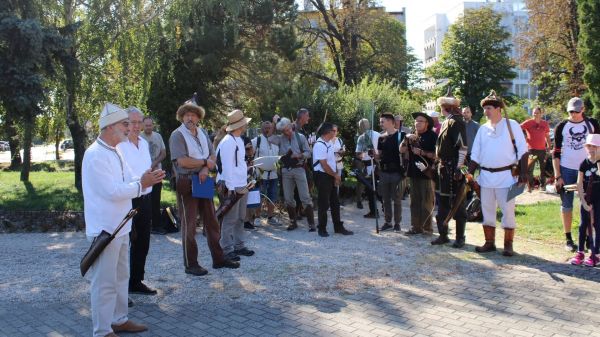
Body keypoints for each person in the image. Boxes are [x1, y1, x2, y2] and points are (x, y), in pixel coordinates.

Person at [83, 102, 164, 337]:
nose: (128, 129)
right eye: (124, 124)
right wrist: (142, 184)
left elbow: (128, 180)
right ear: (109, 127)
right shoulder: (96, 154)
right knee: (104, 282)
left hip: (120, 226)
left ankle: (119, 320)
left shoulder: (114, 150)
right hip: (105, 228)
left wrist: (145, 178)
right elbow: (112, 191)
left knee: (120, 278)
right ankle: (102, 330)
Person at [169, 102, 240, 276]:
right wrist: (203, 163)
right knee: (190, 225)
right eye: (186, 115)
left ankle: (219, 259)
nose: (190, 118)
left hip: (203, 180)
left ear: (198, 118)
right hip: (186, 181)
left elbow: (212, 155)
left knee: (211, 222)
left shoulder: (201, 132)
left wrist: (205, 168)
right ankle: (191, 264)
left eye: (193, 115)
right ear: (181, 117)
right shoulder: (177, 135)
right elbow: (182, 161)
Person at [468, 91, 529, 256]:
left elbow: (523, 150)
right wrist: (469, 173)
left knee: (508, 210)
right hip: (486, 177)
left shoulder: (512, 125)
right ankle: (489, 242)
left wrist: (524, 172)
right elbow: (475, 154)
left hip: (507, 177)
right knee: (487, 209)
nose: (485, 112)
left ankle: (508, 245)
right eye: (484, 109)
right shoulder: (482, 129)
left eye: (489, 108)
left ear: (498, 109)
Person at [116, 107, 156, 295]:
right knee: (125, 242)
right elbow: (122, 175)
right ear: (125, 123)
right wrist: (139, 181)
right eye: (133, 122)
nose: (137, 126)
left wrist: (152, 177)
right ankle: (121, 287)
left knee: (143, 241)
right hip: (129, 198)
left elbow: (145, 168)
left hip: (146, 196)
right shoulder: (120, 145)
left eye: (139, 122)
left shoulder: (144, 143)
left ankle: (136, 281)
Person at [553, 97, 600, 251]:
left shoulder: (592, 124)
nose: (573, 114)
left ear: (583, 110)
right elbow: (556, 152)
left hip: (588, 169)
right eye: (571, 111)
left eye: (576, 111)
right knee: (566, 204)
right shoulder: (562, 126)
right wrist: (557, 176)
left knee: (588, 204)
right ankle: (568, 239)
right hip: (567, 169)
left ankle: (588, 237)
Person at [216, 109, 256, 261]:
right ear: (240, 125)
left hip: (240, 183)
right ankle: (226, 248)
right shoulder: (227, 142)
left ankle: (239, 245)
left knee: (240, 217)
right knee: (230, 217)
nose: (245, 125)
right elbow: (226, 168)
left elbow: (237, 164)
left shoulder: (238, 140)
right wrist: (231, 190)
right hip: (229, 184)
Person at [431, 90, 468, 248]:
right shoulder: (447, 121)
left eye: (441, 106)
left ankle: (460, 237)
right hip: (444, 168)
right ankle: (443, 235)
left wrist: (459, 168)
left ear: (445, 106)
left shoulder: (456, 122)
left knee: (457, 203)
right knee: (443, 202)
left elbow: (462, 147)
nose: (440, 108)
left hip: (453, 168)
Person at [269, 117, 315, 231]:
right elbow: (269, 138)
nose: (287, 132)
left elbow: (309, 152)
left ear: (291, 126)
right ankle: (292, 222)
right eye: (284, 130)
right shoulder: (280, 139)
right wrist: (275, 124)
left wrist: (299, 155)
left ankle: (311, 224)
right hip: (286, 171)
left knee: (305, 197)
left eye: (288, 129)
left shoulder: (301, 137)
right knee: (288, 198)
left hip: (299, 169)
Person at [313, 122, 354, 237]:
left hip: (330, 174)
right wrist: (335, 175)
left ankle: (338, 227)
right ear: (328, 132)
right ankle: (322, 228)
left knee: (335, 203)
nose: (335, 132)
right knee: (323, 203)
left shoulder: (329, 143)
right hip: (322, 176)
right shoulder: (320, 145)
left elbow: (332, 161)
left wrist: (336, 175)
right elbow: (324, 165)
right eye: (333, 131)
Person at [401, 112, 437, 235]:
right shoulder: (411, 136)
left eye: (420, 121)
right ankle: (415, 227)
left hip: (427, 174)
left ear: (427, 124)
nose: (417, 123)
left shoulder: (432, 136)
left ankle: (427, 229)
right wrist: (406, 139)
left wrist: (422, 153)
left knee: (426, 201)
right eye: (416, 121)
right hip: (413, 172)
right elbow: (401, 150)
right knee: (414, 202)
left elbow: (437, 156)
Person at [570, 134, 600, 266]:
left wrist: (597, 160)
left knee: (597, 225)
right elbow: (579, 183)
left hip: (599, 199)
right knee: (583, 225)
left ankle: (596, 254)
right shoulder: (584, 163)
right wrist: (583, 201)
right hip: (586, 198)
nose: (592, 149)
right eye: (589, 146)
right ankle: (580, 252)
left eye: (595, 146)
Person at [376, 113, 405, 232]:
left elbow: (405, 152)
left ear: (389, 121)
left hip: (397, 172)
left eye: (382, 122)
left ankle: (397, 223)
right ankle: (388, 222)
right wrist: (374, 154)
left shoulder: (401, 135)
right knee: (385, 199)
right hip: (384, 172)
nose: (381, 124)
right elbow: (379, 156)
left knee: (396, 199)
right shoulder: (381, 137)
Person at [140, 116, 169, 234]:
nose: (148, 127)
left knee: (156, 200)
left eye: (150, 125)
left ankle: (156, 226)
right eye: (146, 125)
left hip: (157, 173)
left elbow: (163, 153)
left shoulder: (158, 136)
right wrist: (148, 166)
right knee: (144, 201)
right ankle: (145, 226)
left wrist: (154, 163)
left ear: (153, 125)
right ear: (143, 125)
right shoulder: (139, 137)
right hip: (144, 174)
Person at [251, 121, 280, 225]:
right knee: (259, 196)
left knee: (272, 196)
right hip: (260, 174)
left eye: (269, 127)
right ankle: (257, 217)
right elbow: (249, 155)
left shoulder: (276, 141)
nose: (267, 129)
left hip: (273, 174)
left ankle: (270, 217)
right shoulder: (256, 141)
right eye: (265, 128)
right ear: (261, 128)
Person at [521, 107, 551, 191]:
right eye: (534, 113)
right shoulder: (528, 122)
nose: (535, 114)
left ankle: (543, 186)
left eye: (537, 113)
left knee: (543, 169)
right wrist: (522, 139)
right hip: (531, 149)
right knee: (530, 169)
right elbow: (518, 128)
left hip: (542, 150)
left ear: (541, 114)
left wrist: (549, 146)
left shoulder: (545, 124)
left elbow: (547, 136)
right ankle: (530, 186)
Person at [354, 118, 379, 217]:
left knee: (370, 189)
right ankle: (383, 208)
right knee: (377, 187)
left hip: (370, 165)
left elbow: (358, 154)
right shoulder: (378, 134)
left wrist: (363, 155)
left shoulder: (362, 137)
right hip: (379, 165)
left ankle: (374, 212)